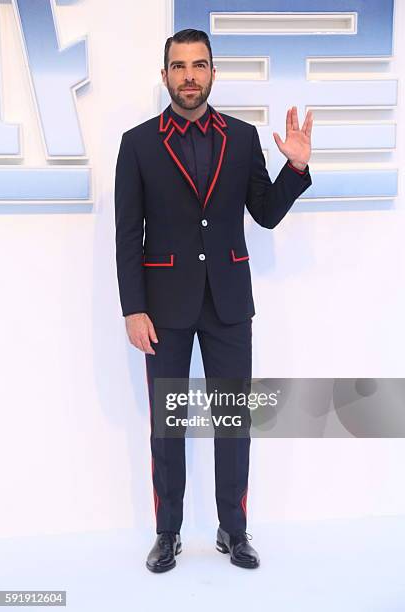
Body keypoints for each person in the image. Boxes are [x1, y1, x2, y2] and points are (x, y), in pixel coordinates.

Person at [115, 28, 313, 572]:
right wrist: (134, 307)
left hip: (228, 304)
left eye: (198, 66)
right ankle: (168, 532)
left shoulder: (243, 139)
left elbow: (265, 213)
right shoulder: (137, 144)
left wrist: (294, 169)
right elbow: (128, 232)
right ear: (164, 76)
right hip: (163, 309)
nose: (189, 77)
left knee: (233, 423)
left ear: (212, 73)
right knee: (167, 424)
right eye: (178, 67)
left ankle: (235, 529)